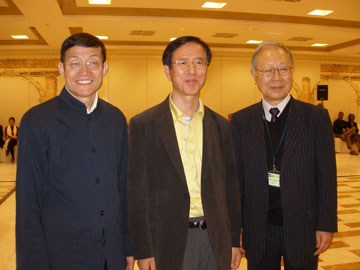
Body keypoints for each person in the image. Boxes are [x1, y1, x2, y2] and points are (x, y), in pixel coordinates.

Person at [16, 33, 134, 270]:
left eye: (93, 62)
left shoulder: (116, 119)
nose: (85, 71)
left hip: (111, 254)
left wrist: (127, 247)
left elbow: (123, 189)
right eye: (75, 63)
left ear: (104, 68)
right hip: (62, 255)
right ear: (61, 68)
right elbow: (29, 203)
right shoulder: (37, 120)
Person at [127, 36, 241, 270]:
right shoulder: (144, 124)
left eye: (199, 62)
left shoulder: (221, 126)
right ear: (167, 71)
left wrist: (233, 241)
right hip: (168, 240)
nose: (192, 70)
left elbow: (231, 188)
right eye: (183, 63)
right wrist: (144, 249)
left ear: (206, 69)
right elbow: (137, 194)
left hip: (215, 238)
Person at [231, 41, 337, 270]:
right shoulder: (240, 121)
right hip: (257, 230)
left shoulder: (316, 118)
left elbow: (327, 176)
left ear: (292, 71)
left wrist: (326, 224)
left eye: (283, 68)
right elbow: (236, 181)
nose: (276, 77)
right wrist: (235, 229)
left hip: (304, 228)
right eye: (268, 70)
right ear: (254, 75)